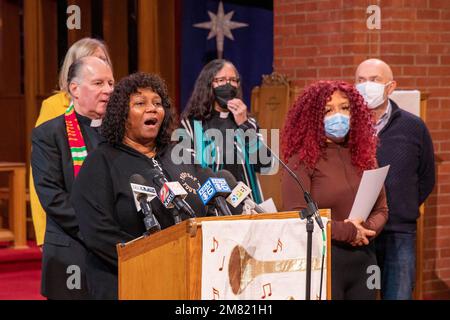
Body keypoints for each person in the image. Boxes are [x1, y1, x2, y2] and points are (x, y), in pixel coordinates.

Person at [70, 72, 208, 299]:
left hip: (186, 278)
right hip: (128, 281)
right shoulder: (101, 162)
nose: (152, 108)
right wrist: (154, 260)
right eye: (140, 103)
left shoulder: (178, 155)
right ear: (122, 114)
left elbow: (203, 203)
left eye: (157, 103)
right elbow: (99, 234)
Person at [281, 80, 388, 300]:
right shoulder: (300, 161)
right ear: (313, 118)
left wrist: (365, 230)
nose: (338, 116)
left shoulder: (365, 155)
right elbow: (297, 217)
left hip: (366, 258)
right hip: (324, 261)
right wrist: (349, 232)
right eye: (328, 110)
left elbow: (382, 209)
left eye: (345, 108)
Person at [31, 56, 114, 299]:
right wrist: (98, 231)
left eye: (111, 82)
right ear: (74, 89)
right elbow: (52, 196)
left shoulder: (121, 133)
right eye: (98, 83)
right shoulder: (49, 134)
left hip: (114, 256)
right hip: (72, 252)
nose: (108, 90)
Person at [355, 58, 435, 300]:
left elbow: (426, 177)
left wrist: (402, 207)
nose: (366, 86)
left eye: (374, 80)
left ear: (390, 87)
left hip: (398, 233)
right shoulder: (346, 127)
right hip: (358, 233)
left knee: (398, 296)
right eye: (360, 80)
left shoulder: (413, 126)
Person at [179, 59, 273, 206]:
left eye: (232, 80)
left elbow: (266, 165)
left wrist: (244, 124)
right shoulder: (191, 125)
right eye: (221, 80)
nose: (228, 85)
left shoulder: (249, 123)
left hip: (247, 206)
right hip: (211, 207)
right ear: (209, 84)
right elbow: (186, 171)